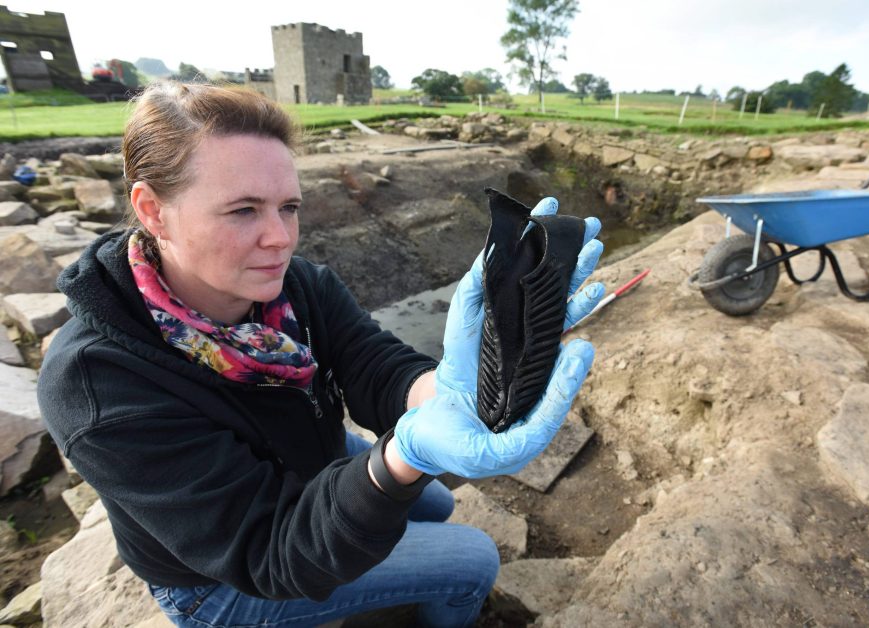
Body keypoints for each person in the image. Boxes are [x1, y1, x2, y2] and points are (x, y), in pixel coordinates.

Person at [37, 82, 604, 628]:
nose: (281, 237)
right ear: (153, 210)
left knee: (436, 504)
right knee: (474, 557)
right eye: (243, 211)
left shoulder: (293, 285)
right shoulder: (95, 383)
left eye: (289, 207)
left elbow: (374, 366)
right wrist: (396, 459)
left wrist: (462, 386)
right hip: (221, 581)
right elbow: (271, 551)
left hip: (306, 460)